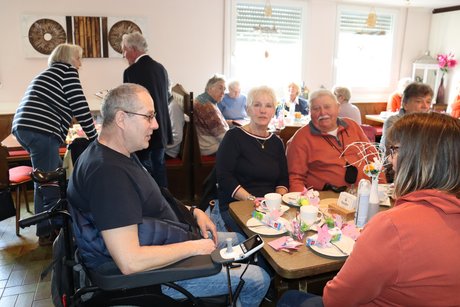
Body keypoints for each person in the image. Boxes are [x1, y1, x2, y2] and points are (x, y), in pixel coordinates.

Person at [67, 84, 270, 306]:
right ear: (122, 119)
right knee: (258, 279)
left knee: (241, 241)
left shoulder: (120, 153)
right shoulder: (108, 175)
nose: (155, 125)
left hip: (169, 239)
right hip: (155, 276)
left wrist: (194, 212)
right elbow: (130, 261)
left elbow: (154, 200)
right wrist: (194, 247)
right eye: (149, 117)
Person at [12, 43, 97, 246]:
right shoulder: (67, 72)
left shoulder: (49, 73)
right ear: (69, 58)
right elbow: (80, 105)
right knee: (51, 183)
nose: (80, 63)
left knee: (43, 179)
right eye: (79, 58)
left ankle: (45, 231)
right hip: (40, 130)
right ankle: (61, 233)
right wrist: (95, 138)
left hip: (25, 128)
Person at [216, 85, 289, 233]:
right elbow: (224, 178)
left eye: (268, 106)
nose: (263, 110)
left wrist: (277, 201)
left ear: (273, 111)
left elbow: (283, 179)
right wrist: (252, 200)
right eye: (257, 105)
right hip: (238, 205)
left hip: (270, 207)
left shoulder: (277, 143)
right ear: (248, 109)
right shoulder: (233, 137)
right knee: (264, 237)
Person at [286, 89, 381, 192]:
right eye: (316, 108)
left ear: (338, 108)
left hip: (364, 193)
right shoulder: (300, 138)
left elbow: (374, 158)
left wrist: (381, 189)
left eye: (327, 107)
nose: (322, 112)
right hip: (326, 199)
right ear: (309, 112)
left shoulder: (352, 126)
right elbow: (295, 179)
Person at [121, 31, 172, 188]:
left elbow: (128, 103)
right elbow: (167, 98)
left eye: (124, 50)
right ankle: (167, 206)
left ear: (133, 49)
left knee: (144, 173)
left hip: (142, 131)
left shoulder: (131, 72)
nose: (124, 55)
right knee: (160, 170)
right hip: (160, 128)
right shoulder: (160, 68)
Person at [379, 82, 432, 153]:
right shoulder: (394, 122)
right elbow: (392, 152)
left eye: (428, 102)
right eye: (419, 101)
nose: (425, 106)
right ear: (405, 104)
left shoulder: (430, 122)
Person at [194, 75, 229, 156]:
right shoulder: (208, 106)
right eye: (220, 88)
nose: (223, 92)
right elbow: (224, 137)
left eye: (224, 89)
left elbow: (212, 123)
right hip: (212, 148)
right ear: (210, 88)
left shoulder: (201, 98)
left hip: (205, 144)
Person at [165, 89, 188, 159]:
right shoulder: (169, 103)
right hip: (166, 147)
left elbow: (177, 136)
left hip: (169, 152)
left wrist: (159, 147)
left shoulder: (173, 106)